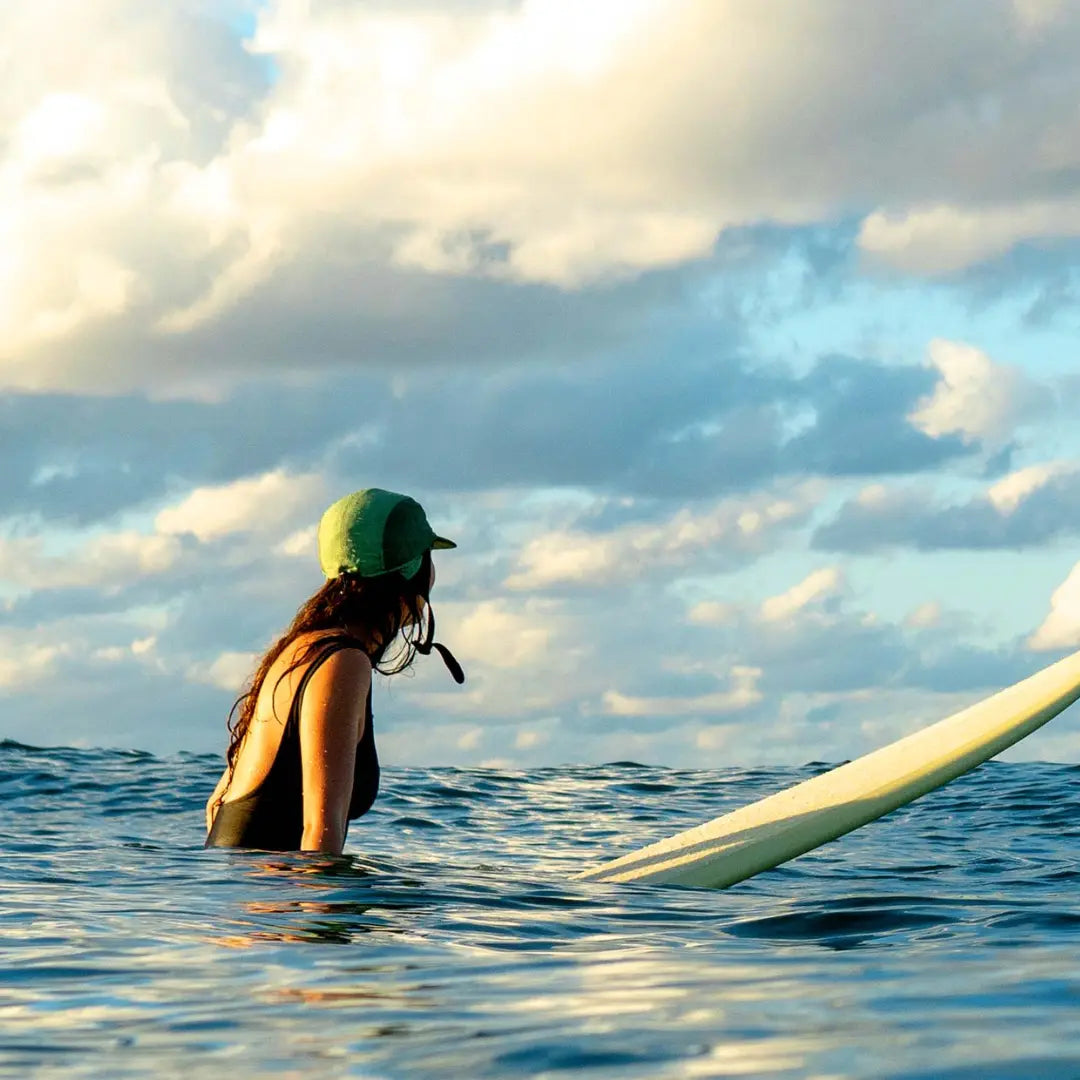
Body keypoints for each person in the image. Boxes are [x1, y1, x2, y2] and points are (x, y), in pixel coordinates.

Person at [204, 488, 464, 854]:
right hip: (278, 904)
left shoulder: (301, 648)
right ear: (412, 572)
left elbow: (217, 806)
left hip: (247, 899)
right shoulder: (341, 663)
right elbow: (320, 833)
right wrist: (307, 910)